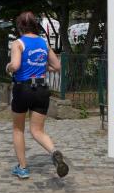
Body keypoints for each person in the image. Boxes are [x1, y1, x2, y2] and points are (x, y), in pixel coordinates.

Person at [5, 11, 68, 179]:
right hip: (41, 89)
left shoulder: (18, 43)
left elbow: (16, 65)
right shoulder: (43, 43)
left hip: (23, 89)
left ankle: (23, 167)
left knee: (18, 129)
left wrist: (8, 66)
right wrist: (43, 67)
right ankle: (54, 152)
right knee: (37, 130)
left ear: (20, 26)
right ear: (35, 25)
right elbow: (57, 66)